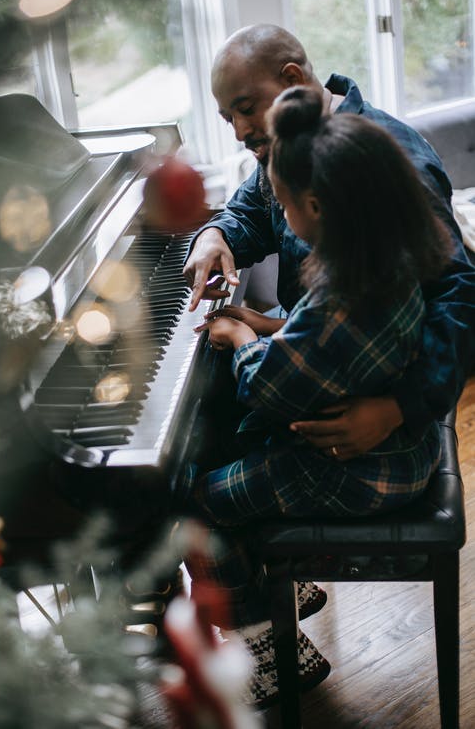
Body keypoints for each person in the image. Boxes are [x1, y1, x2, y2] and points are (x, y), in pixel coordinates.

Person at [180, 85, 453, 708]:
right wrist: (269, 325)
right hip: (392, 448)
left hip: (365, 470)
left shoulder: (337, 300)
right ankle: (275, 586)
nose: (279, 215)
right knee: (233, 447)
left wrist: (241, 331)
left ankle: (265, 651)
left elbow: (267, 386)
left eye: (280, 204)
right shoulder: (381, 259)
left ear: (313, 205)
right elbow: (319, 349)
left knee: (200, 501)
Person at [183, 23, 475, 464]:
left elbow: (457, 294)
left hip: (372, 387)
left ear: (292, 80)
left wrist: (399, 408)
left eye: (246, 109)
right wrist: (213, 234)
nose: (240, 132)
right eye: (228, 118)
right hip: (312, 342)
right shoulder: (287, 142)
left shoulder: (392, 159)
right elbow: (249, 211)